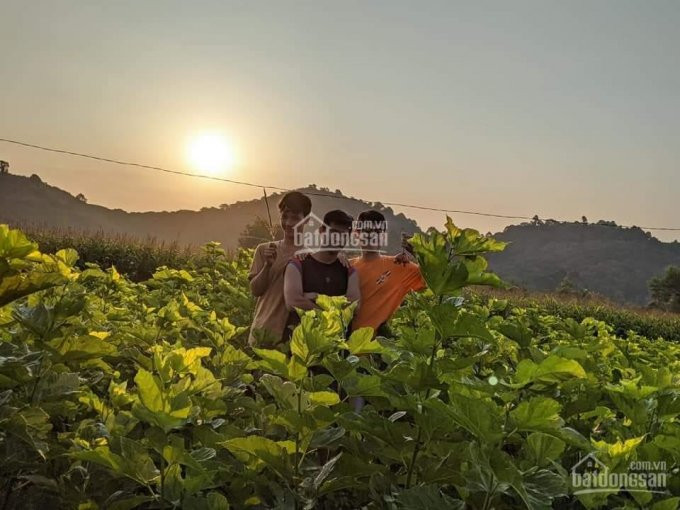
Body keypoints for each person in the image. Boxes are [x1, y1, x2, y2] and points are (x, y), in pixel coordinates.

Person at [283, 209, 360, 338]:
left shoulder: (348, 272)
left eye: (344, 235)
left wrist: (315, 297)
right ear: (321, 231)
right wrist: (334, 311)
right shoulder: (298, 265)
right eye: (334, 232)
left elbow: (354, 307)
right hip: (304, 348)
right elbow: (293, 302)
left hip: (337, 350)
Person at [248, 191, 312, 346]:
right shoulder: (265, 250)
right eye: (285, 216)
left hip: (295, 339)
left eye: (295, 218)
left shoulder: (311, 257)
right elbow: (255, 290)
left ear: (307, 220)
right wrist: (267, 266)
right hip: (263, 333)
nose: (289, 223)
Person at [350, 210, 426, 336]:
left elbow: (435, 281)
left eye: (378, 232)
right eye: (368, 232)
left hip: (381, 351)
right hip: (345, 351)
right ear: (357, 233)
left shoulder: (400, 266)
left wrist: (418, 255)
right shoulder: (347, 267)